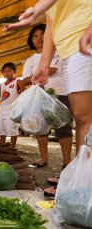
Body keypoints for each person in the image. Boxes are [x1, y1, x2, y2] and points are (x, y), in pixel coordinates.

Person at [5, 0, 92, 153]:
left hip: (85, 43)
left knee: (83, 116)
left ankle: (83, 169)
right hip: (69, 51)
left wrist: (35, 11)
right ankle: (82, 169)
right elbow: (51, 27)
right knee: (81, 116)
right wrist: (43, 65)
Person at [21, 24, 73, 175]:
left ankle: (66, 161)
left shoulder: (61, 53)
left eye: (43, 33)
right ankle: (43, 158)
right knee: (40, 128)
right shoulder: (31, 60)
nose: (39, 38)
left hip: (60, 94)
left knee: (63, 126)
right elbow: (23, 81)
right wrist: (41, 72)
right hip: (39, 97)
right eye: (35, 36)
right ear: (31, 40)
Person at [0, 62, 22, 148]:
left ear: (14, 71)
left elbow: (25, 94)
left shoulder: (18, 81)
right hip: (2, 110)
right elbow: (2, 98)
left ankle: (12, 148)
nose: (7, 73)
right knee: (1, 130)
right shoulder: (1, 85)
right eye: (5, 71)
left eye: (9, 71)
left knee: (12, 130)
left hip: (13, 109)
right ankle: (2, 147)